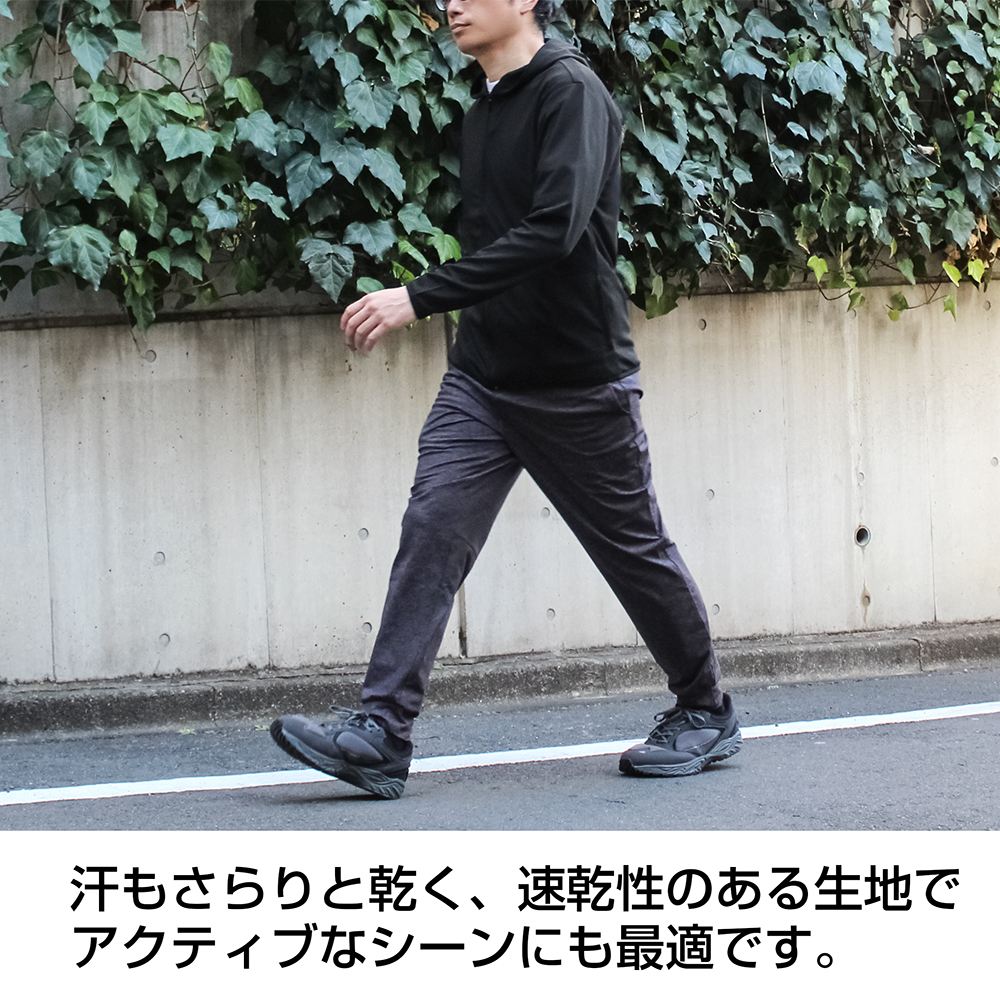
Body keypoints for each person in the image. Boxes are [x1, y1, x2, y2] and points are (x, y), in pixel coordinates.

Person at [270, 0, 741, 799]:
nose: (451, 4)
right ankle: (381, 732)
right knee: (433, 526)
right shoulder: (483, 108)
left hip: (576, 381)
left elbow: (555, 229)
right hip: (484, 380)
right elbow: (497, 246)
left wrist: (418, 296)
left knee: (632, 550)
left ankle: (705, 708)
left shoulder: (572, 93)